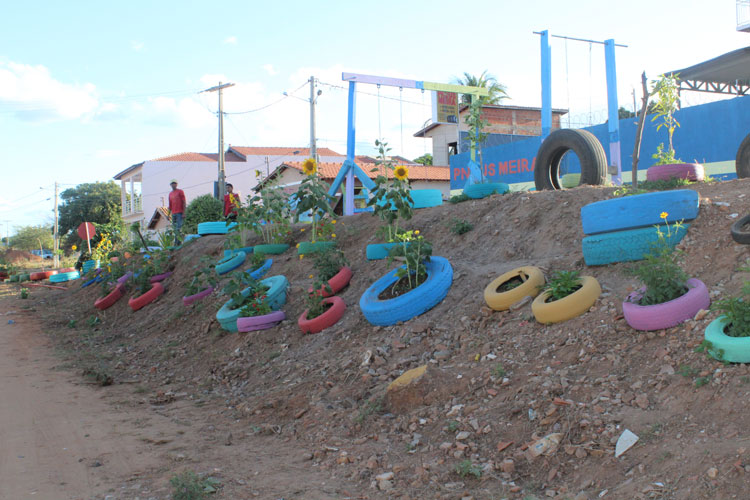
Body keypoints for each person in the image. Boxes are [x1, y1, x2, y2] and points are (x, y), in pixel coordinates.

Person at [168, 179, 186, 243]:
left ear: (176, 184)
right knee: (175, 228)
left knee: (179, 227)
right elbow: (170, 205)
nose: (173, 184)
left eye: (174, 183)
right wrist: (168, 214)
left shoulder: (180, 191)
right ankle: (176, 242)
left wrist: (184, 213)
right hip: (173, 213)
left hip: (180, 213)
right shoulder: (170, 194)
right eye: (172, 183)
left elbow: (184, 202)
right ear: (170, 185)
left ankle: (179, 242)